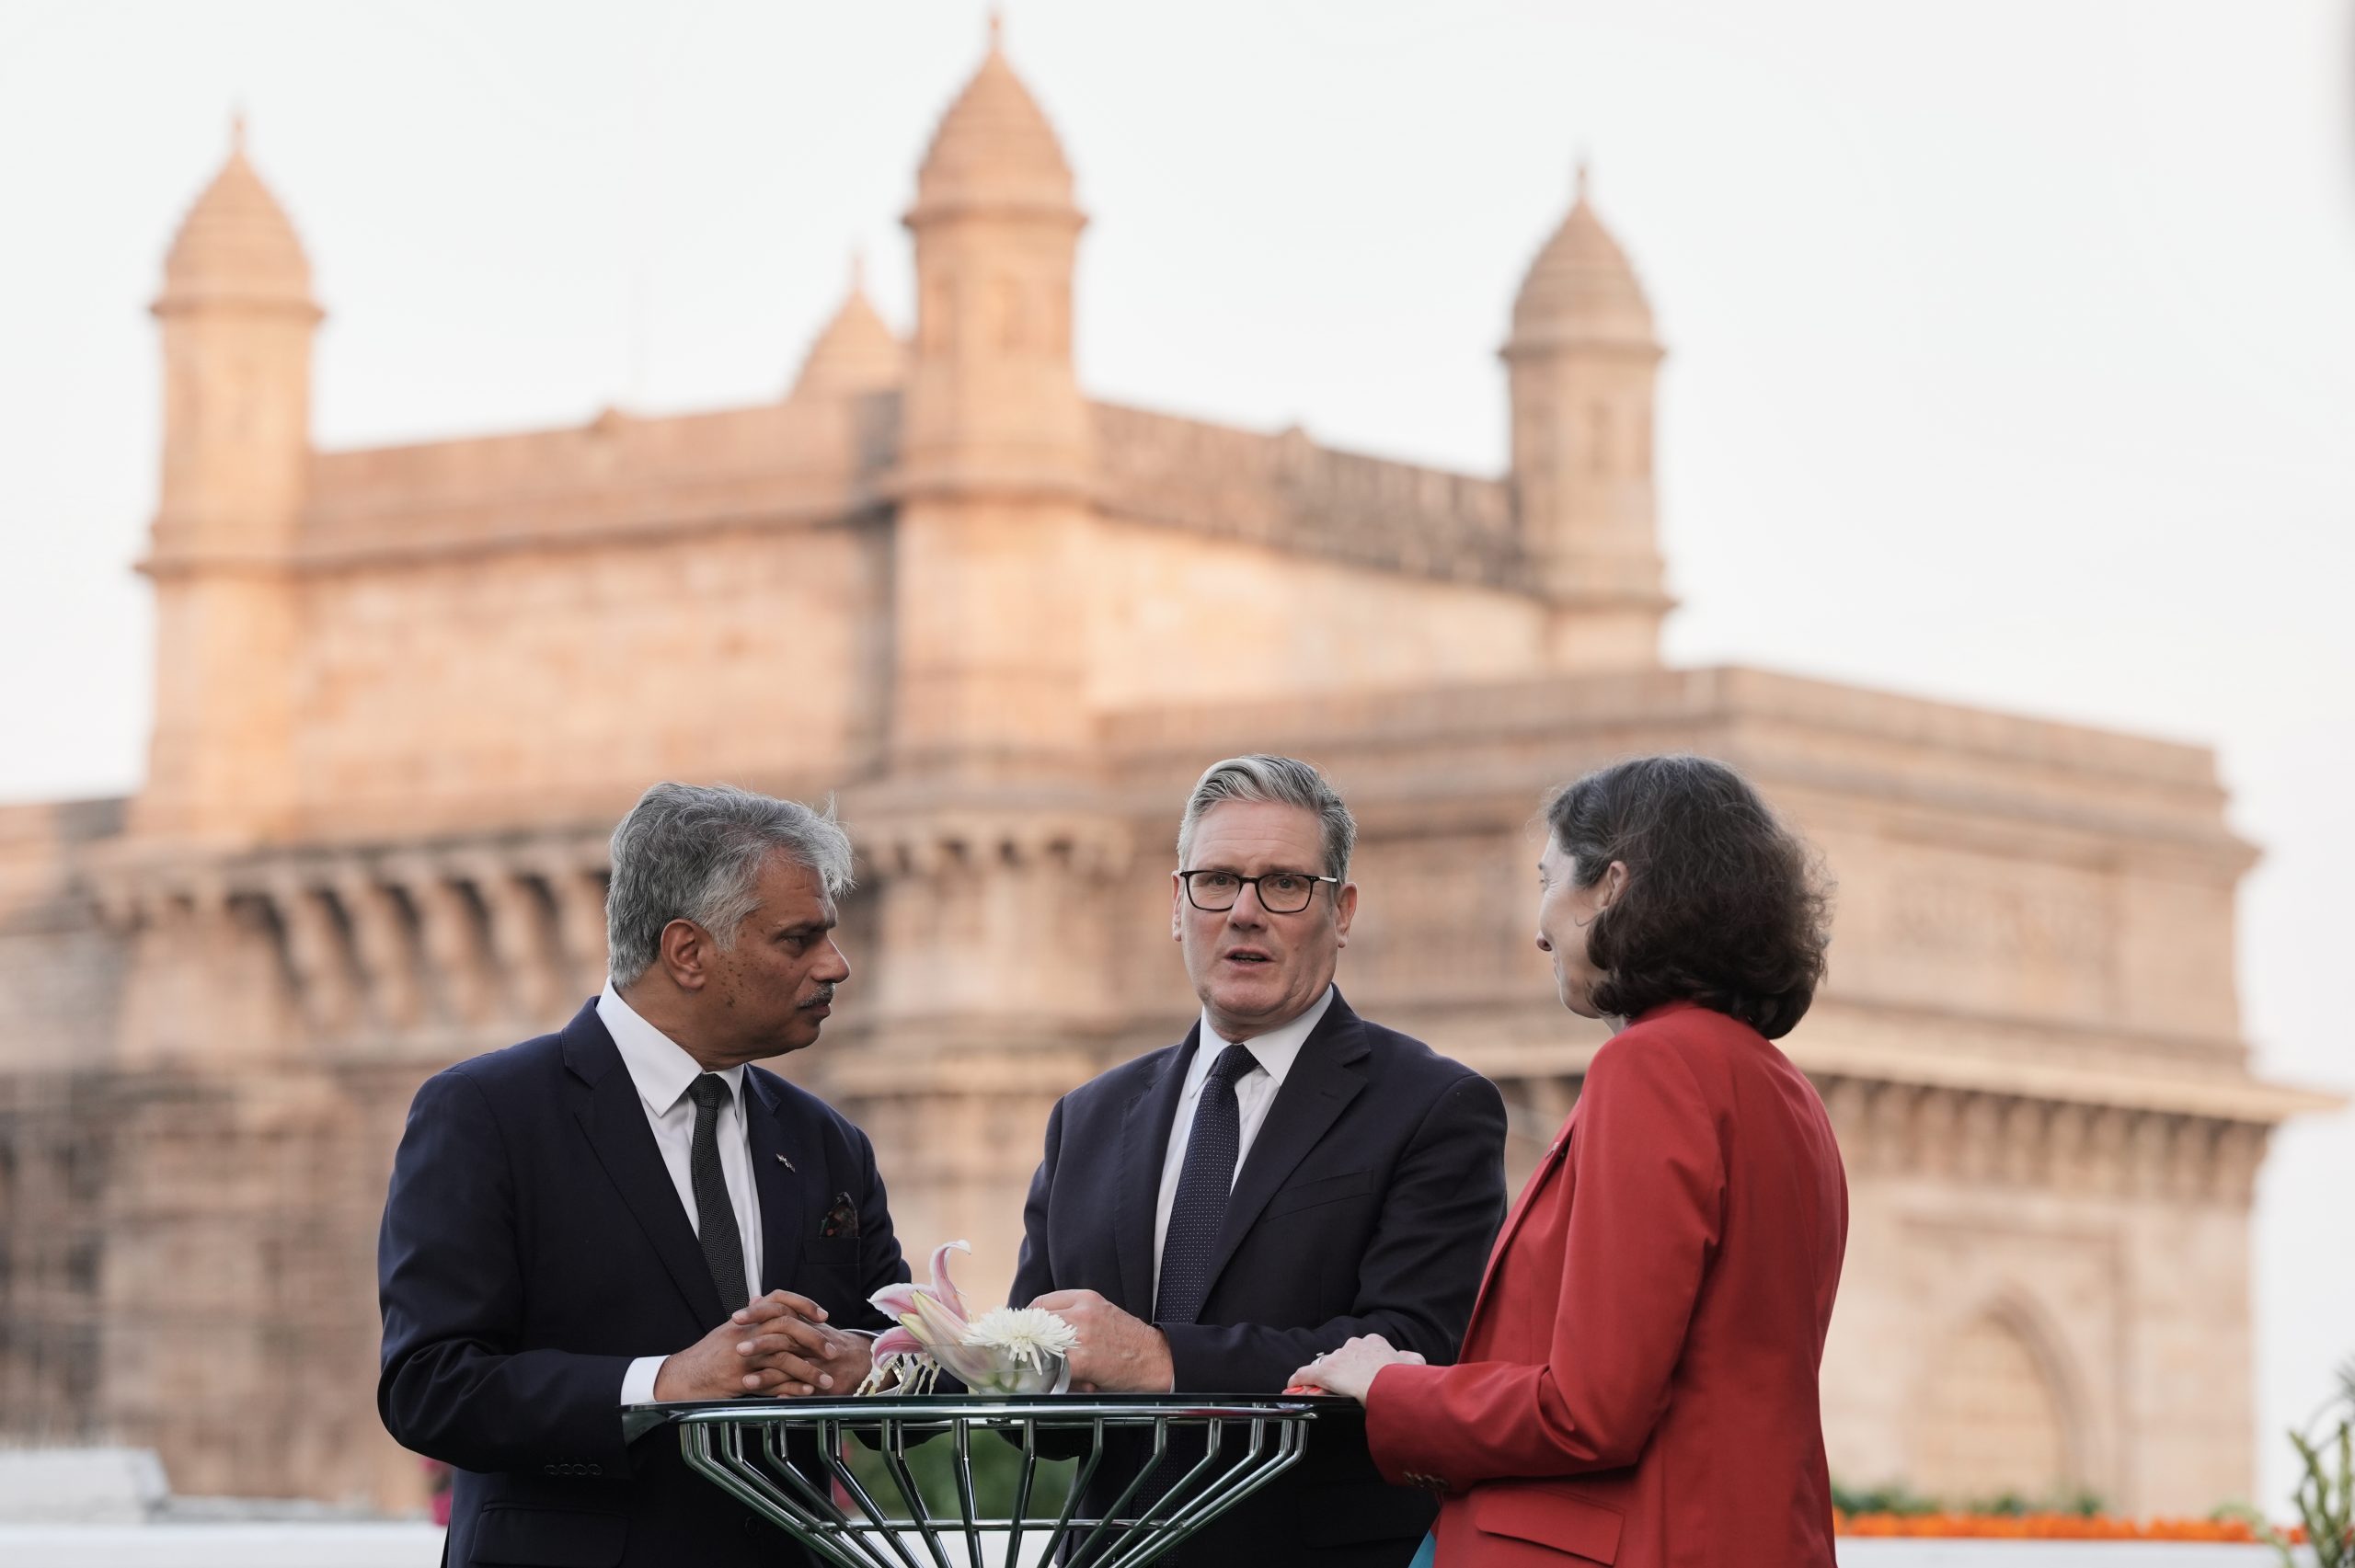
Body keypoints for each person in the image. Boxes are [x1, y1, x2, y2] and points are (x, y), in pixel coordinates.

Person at [1295, 754, 1845, 1568]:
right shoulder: (1783, 1090)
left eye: (1549, 878)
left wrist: (1390, 1385)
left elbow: (1589, 1409)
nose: (1540, 928)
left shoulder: (1651, 1066)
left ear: (1612, 886)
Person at [379, 783, 909, 1568]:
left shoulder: (827, 1141)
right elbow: (430, 1387)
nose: (836, 964)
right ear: (688, 952)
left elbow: (910, 1349)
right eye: (799, 940)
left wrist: (867, 1367)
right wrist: (663, 1382)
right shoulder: (488, 1114)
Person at [1012, 754, 1510, 1566]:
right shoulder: (1088, 1117)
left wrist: (1163, 1360)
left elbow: (1415, 1347)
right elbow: (1039, 1391)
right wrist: (927, 1358)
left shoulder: (1435, 1106)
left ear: (1341, 911)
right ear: (1178, 907)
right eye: (1216, 881)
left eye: (1284, 883)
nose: (1245, 911)